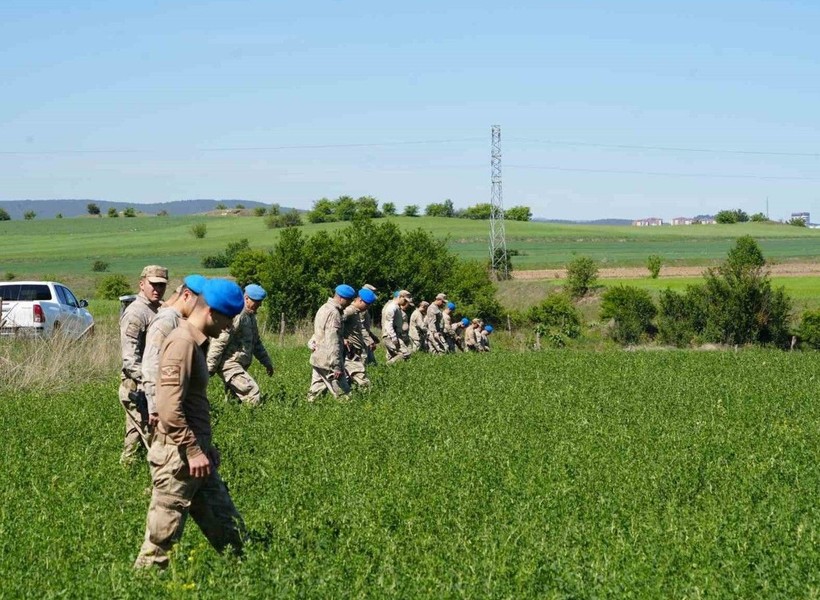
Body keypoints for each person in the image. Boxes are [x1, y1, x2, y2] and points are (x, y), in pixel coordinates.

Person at [134, 278, 246, 569]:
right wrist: (193, 450)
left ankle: (248, 576)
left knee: (230, 530)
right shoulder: (182, 342)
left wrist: (205, 448)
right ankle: (142, 586)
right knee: (161, 540)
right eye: (228, 319)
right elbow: (169, 407)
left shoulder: (196, 342)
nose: (230, 327)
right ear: (211, 312)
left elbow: (191, 404)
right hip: (178, 458)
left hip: (196, 457)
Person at [142, 274, 206, 437]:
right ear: (186, 296)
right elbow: (151, 363)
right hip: (162, 403)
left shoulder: (181, 320)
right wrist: (155, 407)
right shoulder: (167, 320)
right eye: (199, 304)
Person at [119, 265, 168, 466]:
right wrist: (150, 380)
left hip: (149, 383)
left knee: (136, 431)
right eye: (153, 285)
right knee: (152, 435)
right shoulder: (136, 313)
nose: (157, 289)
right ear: (142, 284)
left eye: (161, 285)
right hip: (137, 385)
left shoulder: (159, 309)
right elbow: (130, 359)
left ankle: (127, 469)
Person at [207, 284, 274, 406]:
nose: (260, 305)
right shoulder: (238, 315)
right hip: (229, 364)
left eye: (260, 301)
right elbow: (220, 340)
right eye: (257, 301)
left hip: (239, 364)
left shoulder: (250, 316)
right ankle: (254, 422)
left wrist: (267, 362)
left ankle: (231, 420)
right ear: (246, 298)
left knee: (234, 402)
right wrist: (210, 366)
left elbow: (256, 343)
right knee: (252, 392)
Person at [307, 284, 355, 402]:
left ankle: (306, 412)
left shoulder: (324, 307)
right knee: (344, 395)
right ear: (340, 298)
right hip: (328, 359)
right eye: (348, 300)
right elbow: (332, 341)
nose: (349, 303)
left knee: (315, 391)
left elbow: (319, 333)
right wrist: (336, 366)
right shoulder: (334, 313)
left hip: (318, 356)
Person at [342, 287, 377, 389]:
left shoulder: (356, 312)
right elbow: (336, 322)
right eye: (367, 304)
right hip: (350, 352)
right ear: (360, 300)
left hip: (356, 351)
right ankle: (370, 397)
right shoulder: (350, 311)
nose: (368, 307)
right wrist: (343, 338)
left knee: (347, 380)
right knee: (363, 380)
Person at [381, 289, 413, 364]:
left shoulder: (397, 307)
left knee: (392, 355)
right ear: (400, 297)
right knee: (406, 353)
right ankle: (388, 365)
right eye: (405, 300)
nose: (405, 303)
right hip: (390, 336)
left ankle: (389, 368)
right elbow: (388, 324)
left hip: (395, 335)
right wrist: (394, 337)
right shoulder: (392, 307)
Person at [360, 283, 380, 365]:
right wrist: (370, 340)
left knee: (372, 362)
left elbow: (365, 326)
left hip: (365, 338)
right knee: (363, 360)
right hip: (362, 339)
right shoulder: (361, 309)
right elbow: (361, 327)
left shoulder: (364, 308)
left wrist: (372, 335)